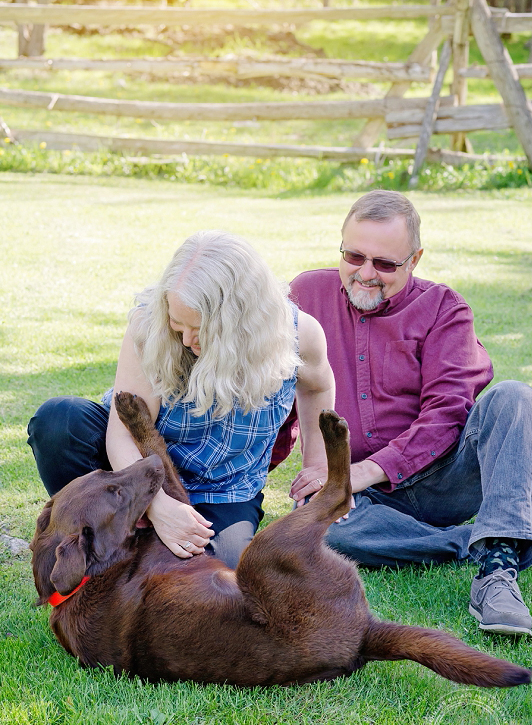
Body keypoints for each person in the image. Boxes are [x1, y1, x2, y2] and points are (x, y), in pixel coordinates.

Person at [284, 190, 532, 637]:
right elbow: (278, 390)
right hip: (364, 500)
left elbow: (446, 417)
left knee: (514, 397)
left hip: (445, 478)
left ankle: (497, 571)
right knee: (326, 533)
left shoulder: (445, 309)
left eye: (384, 264)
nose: (365, 273)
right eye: (354, 255)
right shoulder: (303, 296)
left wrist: (360, 471)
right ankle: (488, 542)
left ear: (414, 259)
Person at [28, 230, 334, 570]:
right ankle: (97, 537)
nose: (187, 339)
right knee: (59, 423)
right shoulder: (149, 325)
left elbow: (317, 387)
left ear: (240, 323)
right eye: (178, 324)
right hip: (135, 466)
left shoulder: (296, 334)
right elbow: (123, 434)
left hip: (222, 488)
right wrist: (155, 505)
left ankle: (137, 543)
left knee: (219, 576)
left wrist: (318, 463)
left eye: (201, 329)